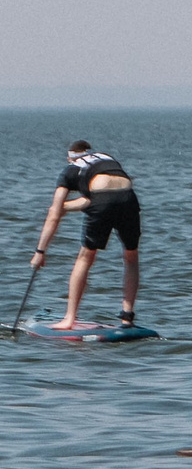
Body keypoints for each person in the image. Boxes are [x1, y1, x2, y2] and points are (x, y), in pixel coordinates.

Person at [31, 141, 141, 330]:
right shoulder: (106, 158)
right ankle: (127, 318)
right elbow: (99, 197)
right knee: (131, 256)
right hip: (128, 198)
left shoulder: (70, 170)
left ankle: (69, 319)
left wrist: (40, 252)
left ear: (69, 158)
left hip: (104, 199)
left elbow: (54, 215)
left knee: (85, 257)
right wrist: (64, 207)